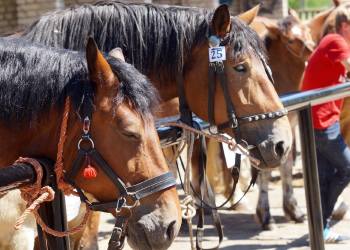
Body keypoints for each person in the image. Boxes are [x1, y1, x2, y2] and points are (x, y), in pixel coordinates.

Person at [301, 6, 350, 243]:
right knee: (346, 169)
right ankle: (323, 224)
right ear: (345, 26)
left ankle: (321, 230)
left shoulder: (333, 42)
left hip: (319, 121)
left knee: (324, 176)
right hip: (322, 122)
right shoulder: (337, 41)